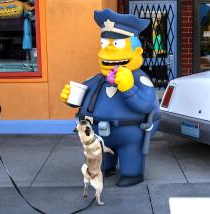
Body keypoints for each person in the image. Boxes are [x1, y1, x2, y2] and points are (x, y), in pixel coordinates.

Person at [60, 9, 160, 187]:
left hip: (130, 133)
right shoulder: (96, 79)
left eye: (118, 45)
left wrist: (129, 89)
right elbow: (82, 97)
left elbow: (146, 105)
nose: (108, 50)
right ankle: (107, 167)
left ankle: (132, 173)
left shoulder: (140, 79)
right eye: (104, 43)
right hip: (98, 134)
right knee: (101, 157)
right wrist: (70, 97)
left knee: (131, 154)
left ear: (137, 52)